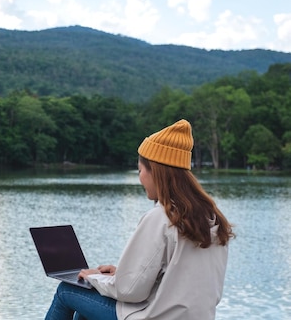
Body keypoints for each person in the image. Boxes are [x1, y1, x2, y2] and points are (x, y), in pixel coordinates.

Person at [44, 119, 234, 320]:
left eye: (140, 170)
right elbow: (177, 280)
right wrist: (119, 274)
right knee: (88, 307)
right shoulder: (211, 216)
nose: (140, 178)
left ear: (156, 173)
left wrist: (95, 278)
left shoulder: (162, 217)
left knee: (67, 291)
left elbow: (130, 291)